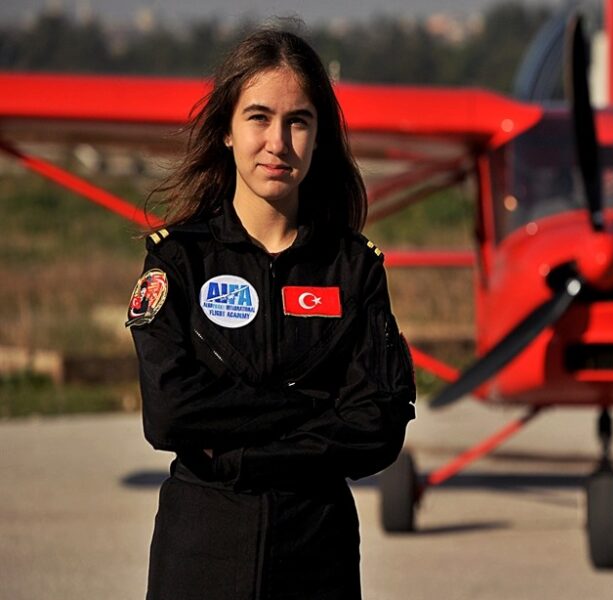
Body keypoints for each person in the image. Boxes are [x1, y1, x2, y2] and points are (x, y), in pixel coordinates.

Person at [126, 28, 416, 600]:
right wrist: (311, 408)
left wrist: (237, 452)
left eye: (298, 121)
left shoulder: (354, 269)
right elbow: (169, 414)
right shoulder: (178, 260)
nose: (277, 142)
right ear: (227, 130)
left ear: (319, 136)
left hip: (318, 554)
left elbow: (376, 429)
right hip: (202, 549)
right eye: (258, 117)